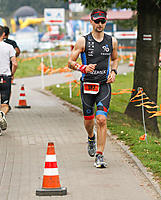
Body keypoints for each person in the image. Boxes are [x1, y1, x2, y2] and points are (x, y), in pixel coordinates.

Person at [68, 9, 118, 168]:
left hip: (104, 85)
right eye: (97, 21)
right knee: (89, 120)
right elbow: (70, 62)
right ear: (91, 22)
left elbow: (115, 59)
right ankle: (91, 137)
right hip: (88, 86)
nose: (100, 24)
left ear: (106, 22)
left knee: (101, 119)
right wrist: (82, 68)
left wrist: (114, 72)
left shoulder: (112, 41)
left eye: (103, 21)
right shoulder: (82, 41)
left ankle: (100, 154)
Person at [0, 25, 18, 135]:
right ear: (3, 34)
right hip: (5, 77)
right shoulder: (9, 47)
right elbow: (15, 63)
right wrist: (12, 73)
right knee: (4, 104)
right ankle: (2, 115)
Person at [3, 26, 20, 111]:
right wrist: (12, 55)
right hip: (7, 72)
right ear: (7, 34)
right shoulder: (11, 44)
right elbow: (17, 51)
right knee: (6, 90)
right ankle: (6, 105)